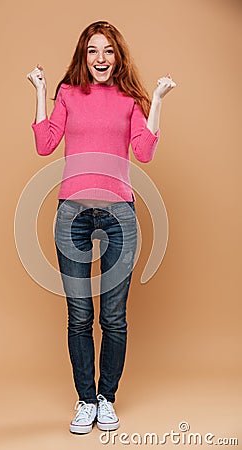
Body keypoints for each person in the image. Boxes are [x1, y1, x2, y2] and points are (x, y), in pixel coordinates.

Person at [27, 20, 176, 435]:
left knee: (113, 316)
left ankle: (106, 398)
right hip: (72, 215)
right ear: (83, 55)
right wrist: (41, 93)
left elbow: (144, 153)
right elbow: (44, 144)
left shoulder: (129, 99)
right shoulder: (70, 94)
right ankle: (85, 400)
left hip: (119, 217)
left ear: (118, 56)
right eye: (93, 51)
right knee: (79, 315)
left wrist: (158, 101)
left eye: (108, 51)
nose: (101, 59)